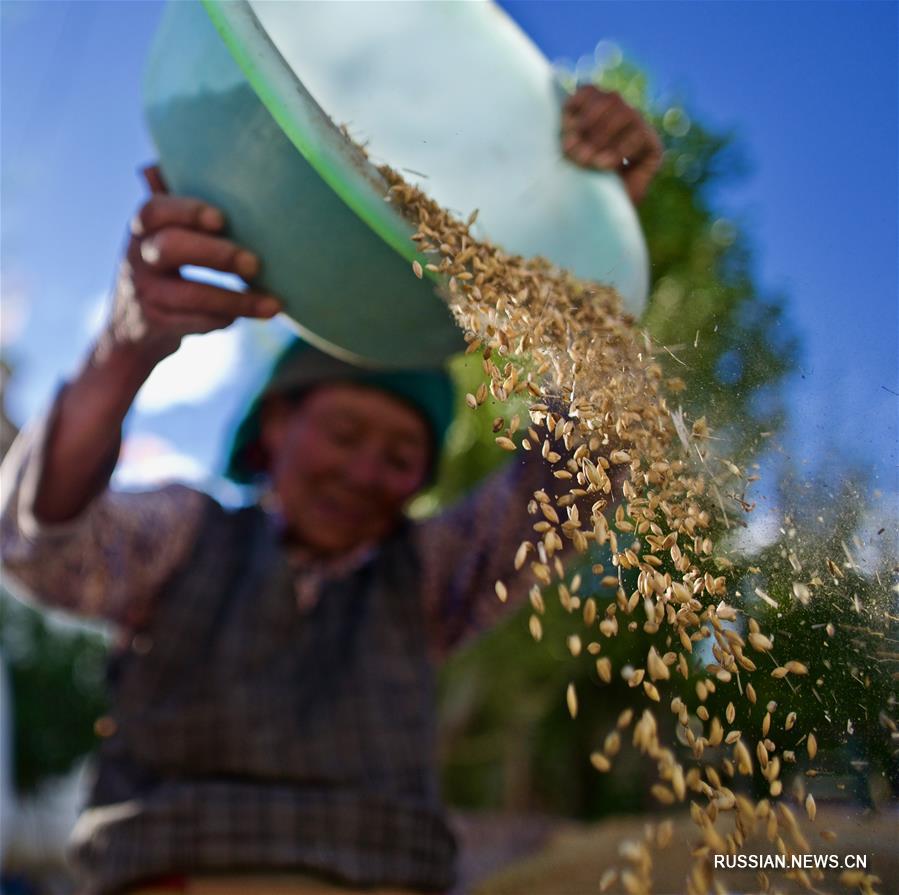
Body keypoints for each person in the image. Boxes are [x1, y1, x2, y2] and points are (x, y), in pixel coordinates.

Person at [0, 86, 661, 895]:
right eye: (344, 436)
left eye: (398, 455)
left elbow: (578, 475)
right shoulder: (182, 537)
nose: (361, 472)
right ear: (274, 428)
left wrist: (599, 234)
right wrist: (125, 347)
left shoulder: (428, 572)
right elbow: (38, 549)